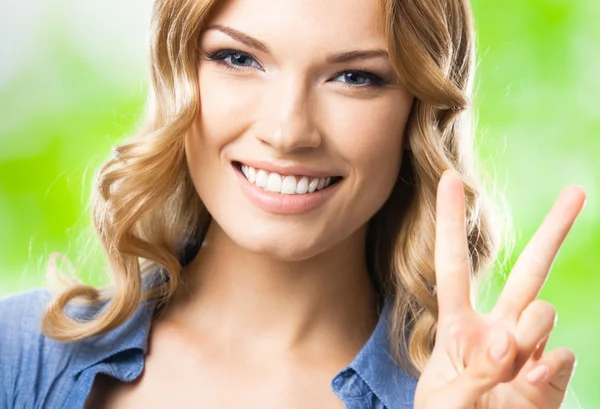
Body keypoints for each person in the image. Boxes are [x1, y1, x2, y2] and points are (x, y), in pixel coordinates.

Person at [0, 0, 586, 407]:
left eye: (355, 77)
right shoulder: (20, 358)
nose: (287, 131)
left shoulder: (475, 398)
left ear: (417, 112)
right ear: (178, 74)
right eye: (238, 59)